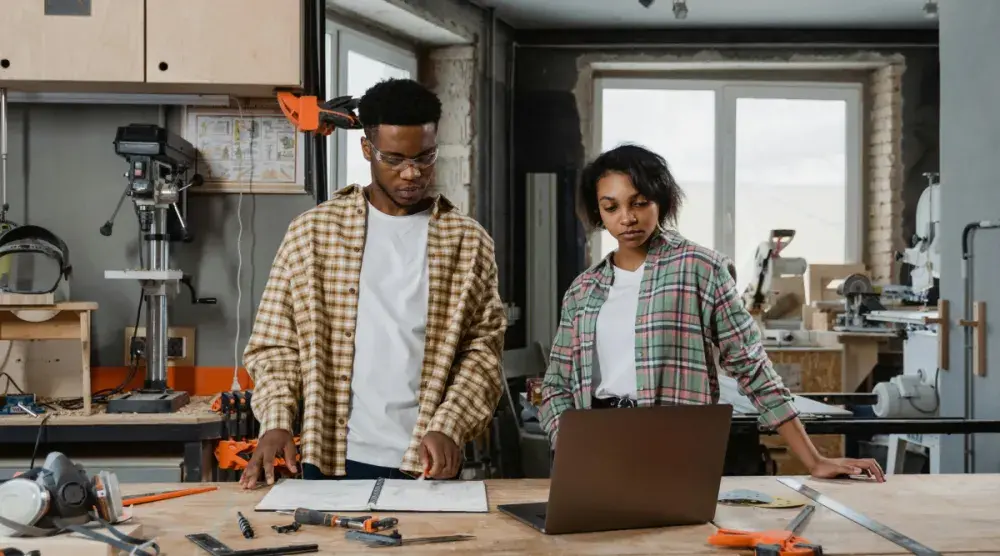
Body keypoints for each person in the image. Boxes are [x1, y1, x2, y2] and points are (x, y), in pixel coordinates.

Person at [538, 144, 885, 482]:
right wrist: (570, 447)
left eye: (639, 203)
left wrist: (814, 460)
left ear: (661, 201)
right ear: (600, 214)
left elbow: (751, 367)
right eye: (611, 207)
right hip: (598, 446)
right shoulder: (584, 289)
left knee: (679, 540)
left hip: (678, 447)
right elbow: (556, 384)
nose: (627, 218)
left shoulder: (701, 269)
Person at [240, 78, 507, 487]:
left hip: (425, 458)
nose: (411, 173)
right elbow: (276, 343)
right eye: (395, 159)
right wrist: (276, 421)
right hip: (330, 456)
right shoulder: (313, 232)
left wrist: (451, 424)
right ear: (367, 150)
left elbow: (482, 352)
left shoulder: (467, 241)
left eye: (425, 157)